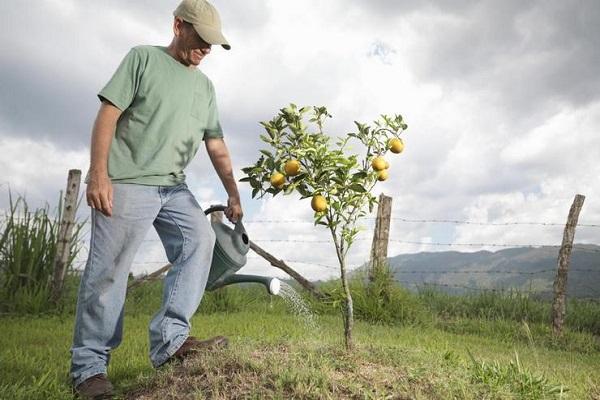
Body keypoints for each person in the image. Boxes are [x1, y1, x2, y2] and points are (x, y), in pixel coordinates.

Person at [69, 0, 242, 398]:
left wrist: (233, 190)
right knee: (108, 273)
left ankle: (172, 342)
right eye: (201, 39)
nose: (206, 49)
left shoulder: (205, 87)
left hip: (173, 186)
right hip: (127, 180)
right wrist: (99, 174)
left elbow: (215, 143)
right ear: (179, 25)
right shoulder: (142, 59)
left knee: (201, 239)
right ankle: (89, 369)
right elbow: (108, 114)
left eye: (212, 43)